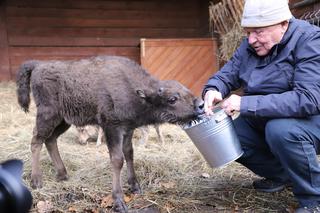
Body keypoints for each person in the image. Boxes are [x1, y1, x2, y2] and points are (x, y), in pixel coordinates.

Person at [202, 0, 320, 212]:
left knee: (281, 130)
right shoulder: (250, 45)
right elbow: (228, 73)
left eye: (258, 32)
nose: (252, 39)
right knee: (229, 136)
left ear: (283, 24)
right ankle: (283, 175)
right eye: (248, 32)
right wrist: (213, 89)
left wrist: (244, 103)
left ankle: (313, 199)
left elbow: (308, 99)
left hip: (311, 120)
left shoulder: (310, 40)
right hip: (268, 115)